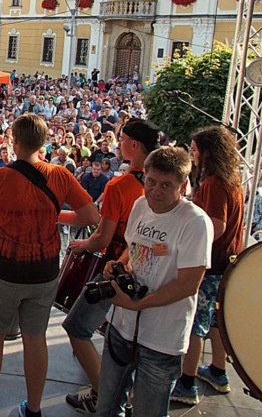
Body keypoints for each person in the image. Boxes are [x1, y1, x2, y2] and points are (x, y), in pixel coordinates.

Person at [0, 114, 100, 417]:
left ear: (14, 140)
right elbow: (90, 217)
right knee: (36, 339)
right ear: (44, 142)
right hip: (44, 272)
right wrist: (54, 215)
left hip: (4, 270)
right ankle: (33, 410)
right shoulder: (60, 175)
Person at [94, 146, 213, 417]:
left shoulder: (195, 222)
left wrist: (139, 305)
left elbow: (188, 284)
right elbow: (134, 247)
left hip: (161, 339)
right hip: (121, 327)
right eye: (151, 181)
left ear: (182, 186)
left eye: (166, 185)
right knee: (106, 408)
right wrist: (120, 264)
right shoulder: (139, 205)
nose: (155, 191)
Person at [63, 118, 160, 415]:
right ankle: (122, 396)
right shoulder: (164, 185)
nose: (118, 144)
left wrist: (81, 245)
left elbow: (103, 237)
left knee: (77, 327)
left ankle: (99, 393)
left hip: (116, 272)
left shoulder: (119, 186)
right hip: (152, 274)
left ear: (134, 145)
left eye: (122, 139)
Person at [171, 126, 245, 406]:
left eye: (194, 150)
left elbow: (216, 225)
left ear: (208, 152)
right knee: (216, 321)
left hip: (212, 263)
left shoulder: (214, 184)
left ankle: (187, 384)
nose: (191, 154)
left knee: (196, 325)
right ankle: (218, 371)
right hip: (228, 260)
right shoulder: (232, 178)